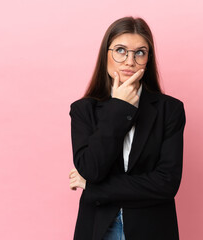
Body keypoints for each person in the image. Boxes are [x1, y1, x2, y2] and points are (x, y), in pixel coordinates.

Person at [68, 16, 185, 240]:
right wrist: (119, 108)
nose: (129, 61)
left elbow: (166, 183)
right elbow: (92, 168)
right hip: (99, 227)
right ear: (106, 54)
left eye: (139, 52)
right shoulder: (83, 110)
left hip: (152, 228)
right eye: (120, 50)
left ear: (148, 59)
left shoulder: (170, 110)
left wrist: (94, 188)